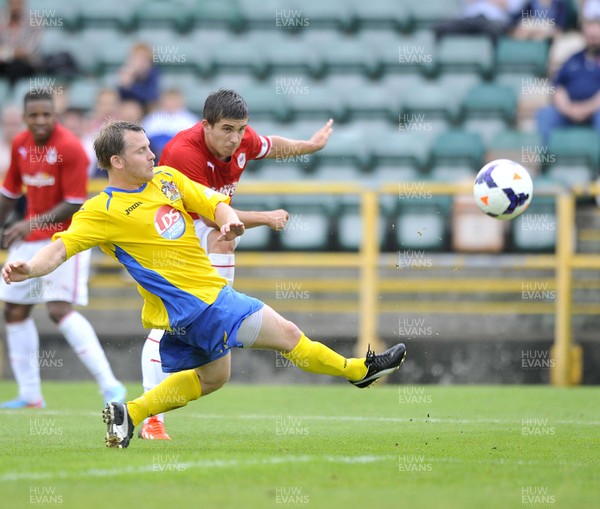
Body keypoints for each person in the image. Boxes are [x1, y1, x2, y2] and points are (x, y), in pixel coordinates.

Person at [1, 120, 407, 448]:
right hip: (204, 302)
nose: (151, 153)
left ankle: (133, 413)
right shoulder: (101, 210)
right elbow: (59, 249)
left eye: (149, 146)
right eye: (141, 150)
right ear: (116, 161)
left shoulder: (166, 179)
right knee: (288, 333)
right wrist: (30, 269)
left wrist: (228, 216)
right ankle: (359, 370)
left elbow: (212, 201)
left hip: (189, 311)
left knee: (215, 378)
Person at [139, 89, 334, 440]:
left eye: (241, 130)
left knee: (209, 309)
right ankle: (152, 419)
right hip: (173, 235)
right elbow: (212, 218)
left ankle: (214, 322)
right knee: (175, 320)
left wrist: (310, 145)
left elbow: (271, 145)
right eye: (227, 129)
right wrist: (266, 217)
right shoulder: (184, 153)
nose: (236, 139)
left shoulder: (241, 139)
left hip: (212, 229)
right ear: (206, 126)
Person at [0, 90, 126, 409]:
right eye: (34, 115)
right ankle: (30, 395)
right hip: (29, 241)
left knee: (58, 310)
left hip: (66, 239)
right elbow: (10, 193)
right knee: (14, 310)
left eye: (46, 114)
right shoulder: (20, 145)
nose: (40, 120)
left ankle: (111, 386)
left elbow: (74, 203)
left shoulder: (70, 148)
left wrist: (28, 224)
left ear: (55, 115)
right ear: (26, 117)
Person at [536, 0, 600, 144]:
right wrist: (569, 109)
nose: (593, 31)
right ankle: (546, 162)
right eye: (589, 25)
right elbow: (558, 87)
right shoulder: (573, 59)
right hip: (568, 112)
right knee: (546, 115)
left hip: (595, 112)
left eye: (597, 25)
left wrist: (585, 109)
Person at [434, 0, 528, 43]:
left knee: (494, 29)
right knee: (440, 27)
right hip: (469, 19)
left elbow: (510, 6)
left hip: (493, 21)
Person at [142, 88, 198, 159]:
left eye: (174, 100)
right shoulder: (151, 119)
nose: (171, 103)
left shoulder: (190, 120)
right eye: (169, 99)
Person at [0, 0, 43, 87]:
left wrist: (6, 52)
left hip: (27, 64)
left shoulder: (34, 20)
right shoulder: (2, 18)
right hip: (3, 63)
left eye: (18, 3)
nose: (16, 6)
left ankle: (12, 95)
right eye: (13, 3)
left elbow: (28, 51)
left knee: (15, 67)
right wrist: (14, 52)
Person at [117, 43, 160, 114]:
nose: (139, 61)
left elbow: (150, 96)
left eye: (143, 58)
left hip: (147, 109)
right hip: (127, 109)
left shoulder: (153, 73)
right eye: (136, 57)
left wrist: (131, 86)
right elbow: (120, 97)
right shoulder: (127, 72)